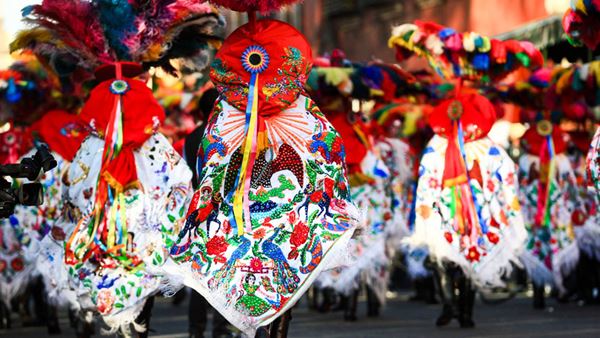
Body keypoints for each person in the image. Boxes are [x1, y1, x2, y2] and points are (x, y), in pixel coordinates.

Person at [165, 14, 360, 337]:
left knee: (283, 271)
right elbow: (330, 155)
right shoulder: (301, 114)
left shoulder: (226, 116)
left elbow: (207, 166)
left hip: (264, 219)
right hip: (265, 219)